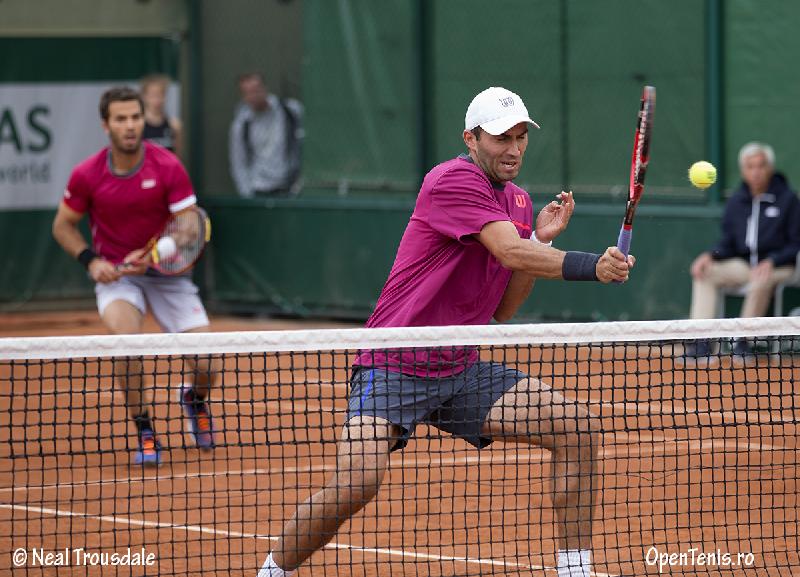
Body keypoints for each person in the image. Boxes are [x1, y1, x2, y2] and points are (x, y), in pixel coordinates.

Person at [257, 86, 635, 577]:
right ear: (471, 138)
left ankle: (575, 570)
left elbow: (503, 309)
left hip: (459, 368)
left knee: (577, 428)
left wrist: (539, 238)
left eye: (521, 137)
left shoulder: (519, 201)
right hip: (395, 362)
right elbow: (509, 251)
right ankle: (272, 571)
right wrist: (589, 265)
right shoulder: (450, 180)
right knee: (357, 482)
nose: (514, 148)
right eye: (501, 138)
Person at [52, 86, 218, 466]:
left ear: (144, 119)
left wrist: (162, 249)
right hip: (119, 279)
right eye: (121, 119)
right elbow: (63, 226)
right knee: (126, 341)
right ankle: (146, 431)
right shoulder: (87, 174)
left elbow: (191, 222)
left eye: (135, 117)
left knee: (209, 363)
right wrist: (92, 262)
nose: (130, 126)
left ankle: (194, 398)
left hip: (167, 275)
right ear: (106, 125)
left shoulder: (167, 166)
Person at [683, 142, 800, 363]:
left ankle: (742, 342)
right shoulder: (737, 201)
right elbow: (728, 242)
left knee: (761, 278)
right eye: (750, 166)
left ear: (770, 168)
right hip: (745, 265)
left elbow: (796, 243)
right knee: (706, 272)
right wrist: (710, 255)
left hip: (782, 267)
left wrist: (772, 261)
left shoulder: (788, 200)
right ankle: (701, 342)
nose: (756, 172)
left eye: (761, 166)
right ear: (743, 170)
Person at [229, 72, 303, 197]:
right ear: (243, 97)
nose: (254, 96)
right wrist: (248, 194)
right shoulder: (241, 126)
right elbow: (238, 162)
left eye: (256, 90)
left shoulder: (291, 110)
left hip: (290, 188)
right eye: (248, 92)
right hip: (259, 191)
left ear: (265, 88)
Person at [140, 74, 183, 158]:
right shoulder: (139, 125)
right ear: (144, 96)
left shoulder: (174, 125)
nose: (157, 99)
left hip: (167, 170)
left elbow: (177, 157)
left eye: (161, 95)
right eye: (152, 95)